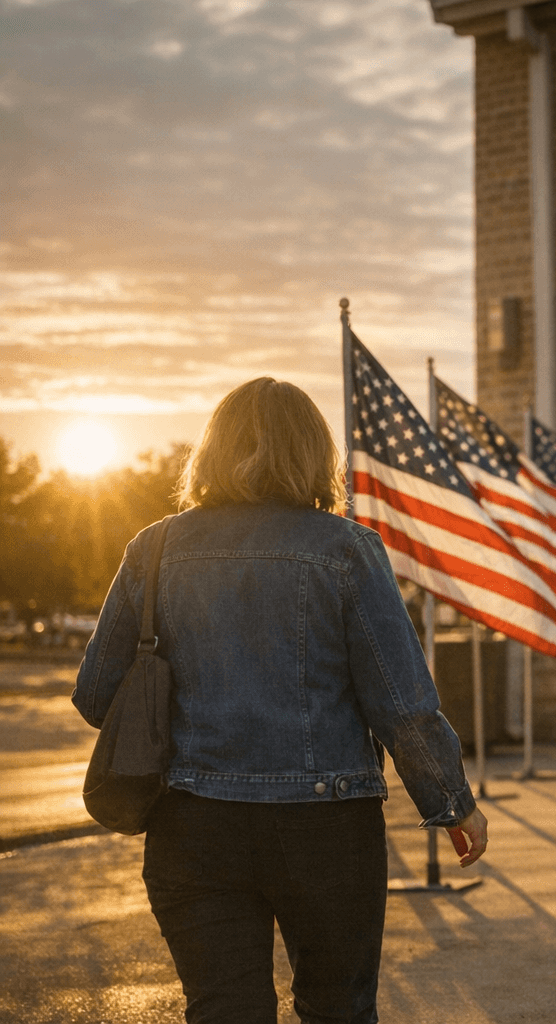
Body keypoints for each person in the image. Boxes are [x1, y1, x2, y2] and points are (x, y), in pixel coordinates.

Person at [72, 378, 487, 1024]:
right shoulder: (347, 550)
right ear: (315, 456)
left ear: (208, 452)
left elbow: (95, 694)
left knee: (223, 1010)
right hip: (327, 828)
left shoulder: (151, 550)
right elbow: (401, 702)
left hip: (192, 824)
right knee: (338, 1010)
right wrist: (451, 802)